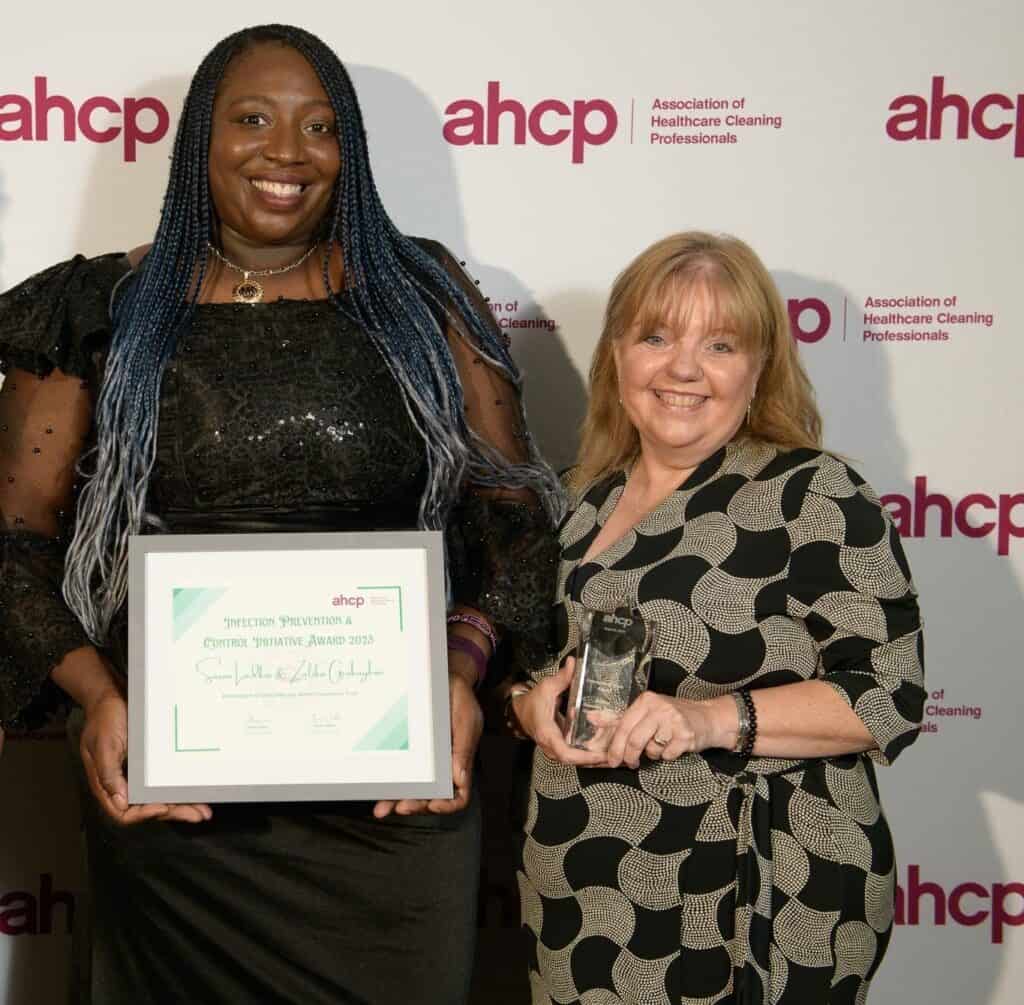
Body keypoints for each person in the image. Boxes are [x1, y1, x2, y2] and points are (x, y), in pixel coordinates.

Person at [0, 23, 561, 1004]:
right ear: (198, 144)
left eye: (319, 126)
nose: (286, 153)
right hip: (179, 796)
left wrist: (462, 675)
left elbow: (510, 517)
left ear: (349, 150)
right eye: (251, 119)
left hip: (397, 787)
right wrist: (100, 700)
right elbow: (14, 543)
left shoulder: (420, 295)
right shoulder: (106, 306)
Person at [508, 232, 925, 1004]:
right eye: (656, 336)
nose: (684, 369)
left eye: (721, 343)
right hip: (580, 886)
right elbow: (532, 659)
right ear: (618, 355)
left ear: (759, 367)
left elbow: (885, 694)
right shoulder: (577, 496)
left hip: (751, 890)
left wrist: (708, 720)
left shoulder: (814, 493)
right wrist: (528, 701)